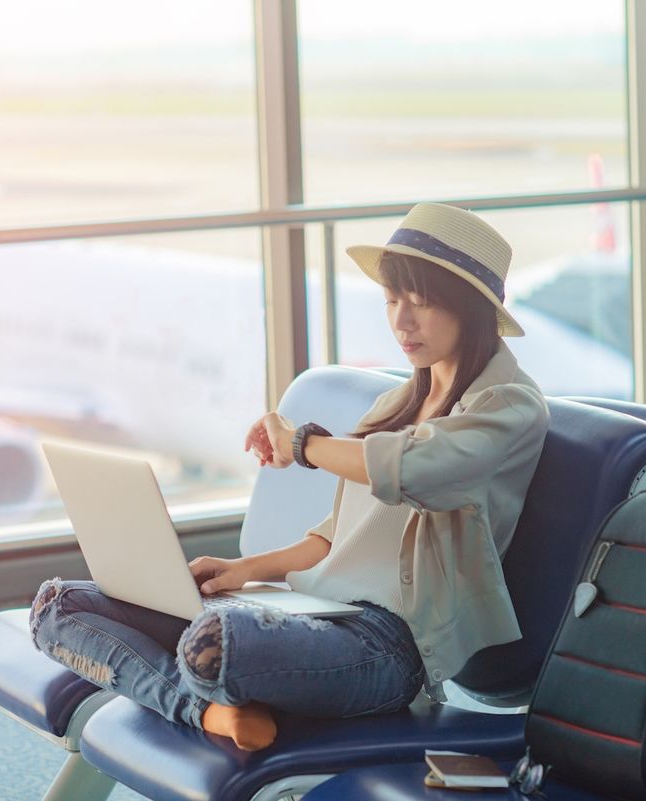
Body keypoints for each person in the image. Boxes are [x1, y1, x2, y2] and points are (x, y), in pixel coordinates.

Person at [30, 203, 549, 751]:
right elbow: (336, 533)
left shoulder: (508, 407)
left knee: (213, 643)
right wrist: (243, 570)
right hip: (310, 611)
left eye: (421, 303)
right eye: (392, 300)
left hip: (386, 648)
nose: (402, 322)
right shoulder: (398, 402)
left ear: (471, 310)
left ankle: (202, 693)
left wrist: (303, 444)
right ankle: (209, 714)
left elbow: (415, 467)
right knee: (58, 606)